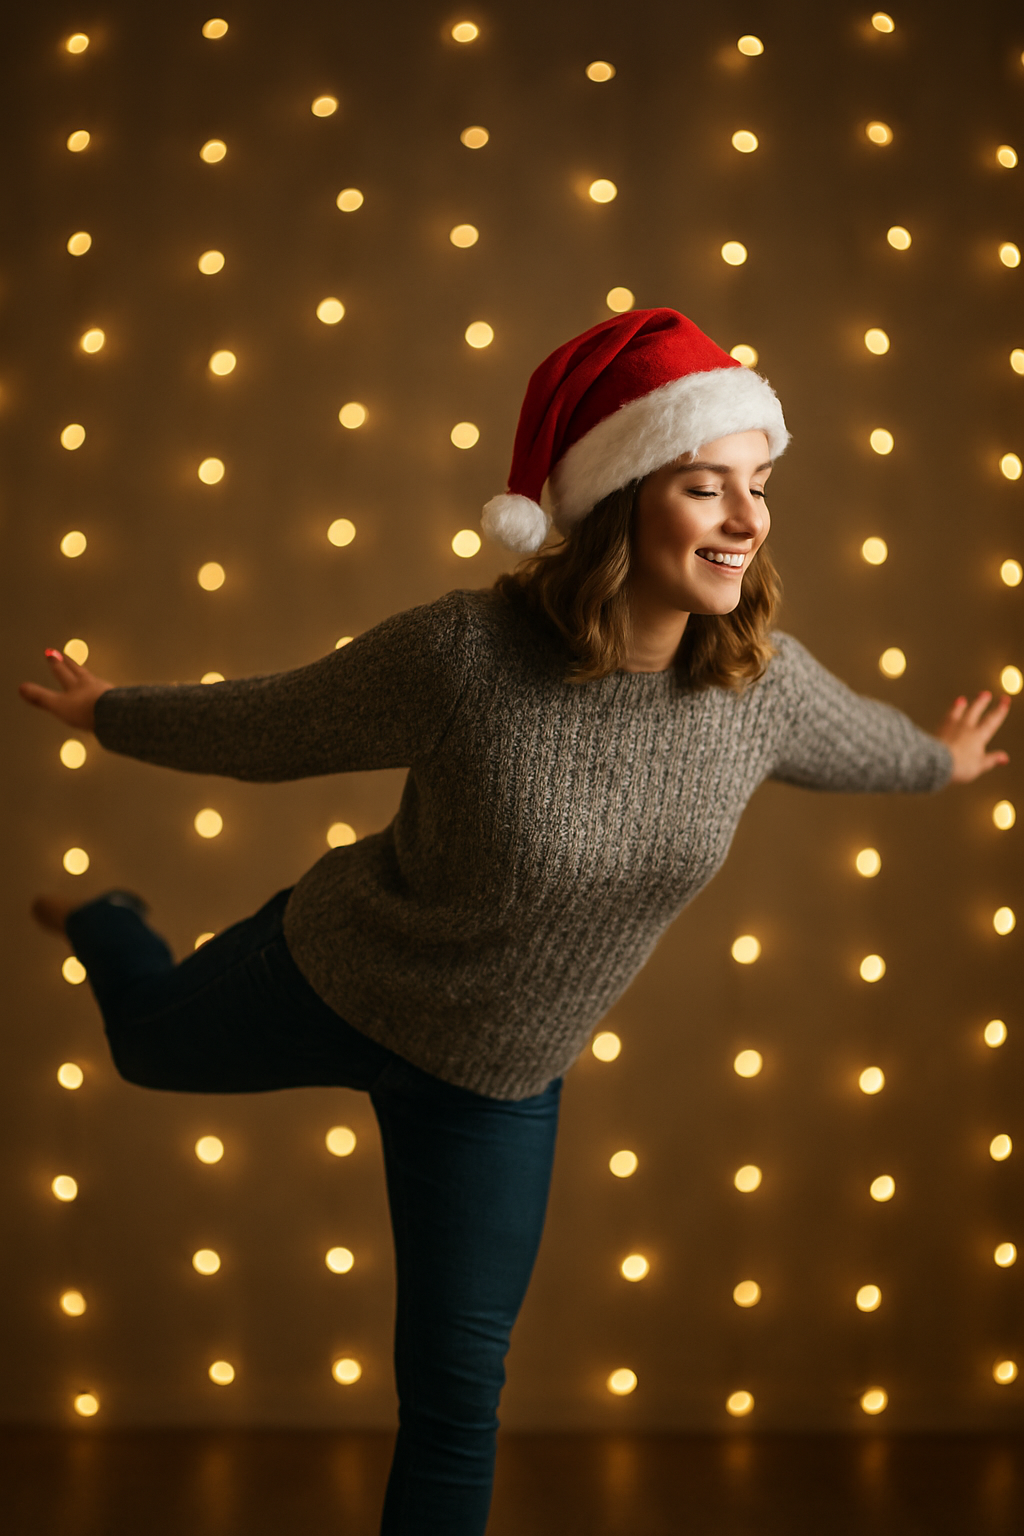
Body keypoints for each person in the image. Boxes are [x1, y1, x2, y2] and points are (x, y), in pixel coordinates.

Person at [20, 308, 1010, 1535]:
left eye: (759, 486)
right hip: (334, 972)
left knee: (454, 1404)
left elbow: (867, 745)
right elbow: (270, 726)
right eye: (709, 487)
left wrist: (940, 760)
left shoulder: (757, 689)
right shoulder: (464, 655)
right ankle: (112, 919)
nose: (749, 521)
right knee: (142, 1046)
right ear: (619, 502)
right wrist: (110, 713)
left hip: (493, 1080)